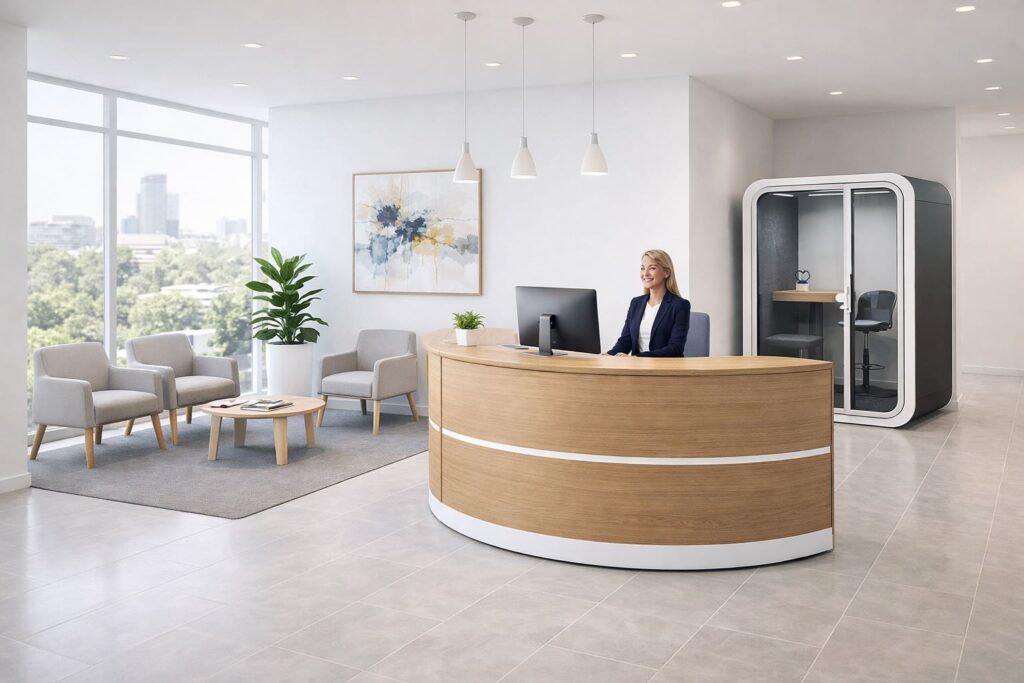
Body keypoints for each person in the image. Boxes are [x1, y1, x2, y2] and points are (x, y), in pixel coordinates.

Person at [607, 249, 691, 357]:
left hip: (664, 369)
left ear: (666, 272)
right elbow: (625, 340)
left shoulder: (680, 305)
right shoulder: (636, 303)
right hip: (636, 369)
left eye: (652, 268)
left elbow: (675, 348)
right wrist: (609, 355)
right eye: (642, 268)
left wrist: (637, 358)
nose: (645, 273)